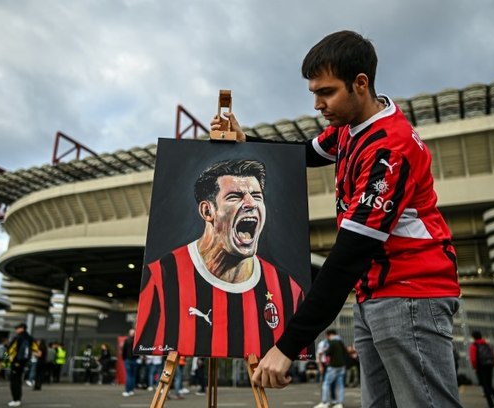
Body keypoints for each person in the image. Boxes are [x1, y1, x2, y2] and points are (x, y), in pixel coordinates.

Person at [213, 30, 462, 407]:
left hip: (411, 294)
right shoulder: (348, 129)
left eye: (325, 92)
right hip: (373, 294)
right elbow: (301, 155)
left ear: (360, 84)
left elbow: (346, 260)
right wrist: (245, 143)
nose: (317, 104)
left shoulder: (389, 150)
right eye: (314, 92)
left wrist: (288, 344)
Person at [134, 159, 304, 358]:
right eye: (235, 196)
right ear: (207, 211)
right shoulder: (160, 278)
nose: (251, 203)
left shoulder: (289, 290)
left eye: (257, 196)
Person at [469, 331, 494, 408]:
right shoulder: (486, 344)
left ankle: (491, 405)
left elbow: (473, 359)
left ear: (473, 337)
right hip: (489, 366)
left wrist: (475, 368)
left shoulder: (474, 345)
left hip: (480, 367)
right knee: (489, 385)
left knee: (485, 386)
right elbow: (493, 355)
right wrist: (493, 364)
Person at [7, 323, 38, 407]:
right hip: (24, 362)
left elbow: (10, 350)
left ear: (22, 328)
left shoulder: (18, 338)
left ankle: (15, 399)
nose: (16, 330)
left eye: (17, 328)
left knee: (14, 381)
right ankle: (18, 398)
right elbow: (36, 349)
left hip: (16, 361)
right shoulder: (30, 338)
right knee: (19, 380)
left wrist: (7, 359)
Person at [314, 329, 347, 408]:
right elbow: (345, 352)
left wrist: (324, 352)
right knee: (340, 385)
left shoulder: (332, 342)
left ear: (329, 335)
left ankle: (325, 402)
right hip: (341, 366)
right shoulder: (340, 342)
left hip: (333, 366)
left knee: (326, 384)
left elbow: (327, 352)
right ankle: (339, 403)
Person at [121, 329, 138, 397]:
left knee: (128, 375)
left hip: (128, 359)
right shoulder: (137, 341)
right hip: (135, 360)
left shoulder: (126, 340)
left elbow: (124, 351)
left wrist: (124, 358)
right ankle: (131, 390)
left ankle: (127, 390)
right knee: (133, 376)